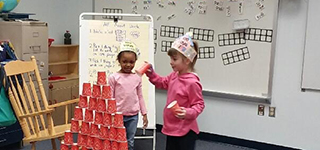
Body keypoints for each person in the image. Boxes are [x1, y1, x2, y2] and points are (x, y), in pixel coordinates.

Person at [146, 32, 205, 150]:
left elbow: (199, 104)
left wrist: (188, 113)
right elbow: (162, 82)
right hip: (172, 127)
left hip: (185, 129)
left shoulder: (192, 82)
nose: (171, 62)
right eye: (171, 58)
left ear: (187, 60)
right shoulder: (174, 75)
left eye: (174, 59)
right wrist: (152, 75)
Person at [108, 41, 148, 150]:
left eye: (131, 62)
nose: (128, 65)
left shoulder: (137, 78)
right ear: (119, 61)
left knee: (129, 141)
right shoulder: (114, 77)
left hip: (133, 116)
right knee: (116, 140)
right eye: (124, 61)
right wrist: (111, 114)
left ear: (135, 61)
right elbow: (110, 97)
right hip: (118, 115)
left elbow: (140, 96)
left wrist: (144, 113)